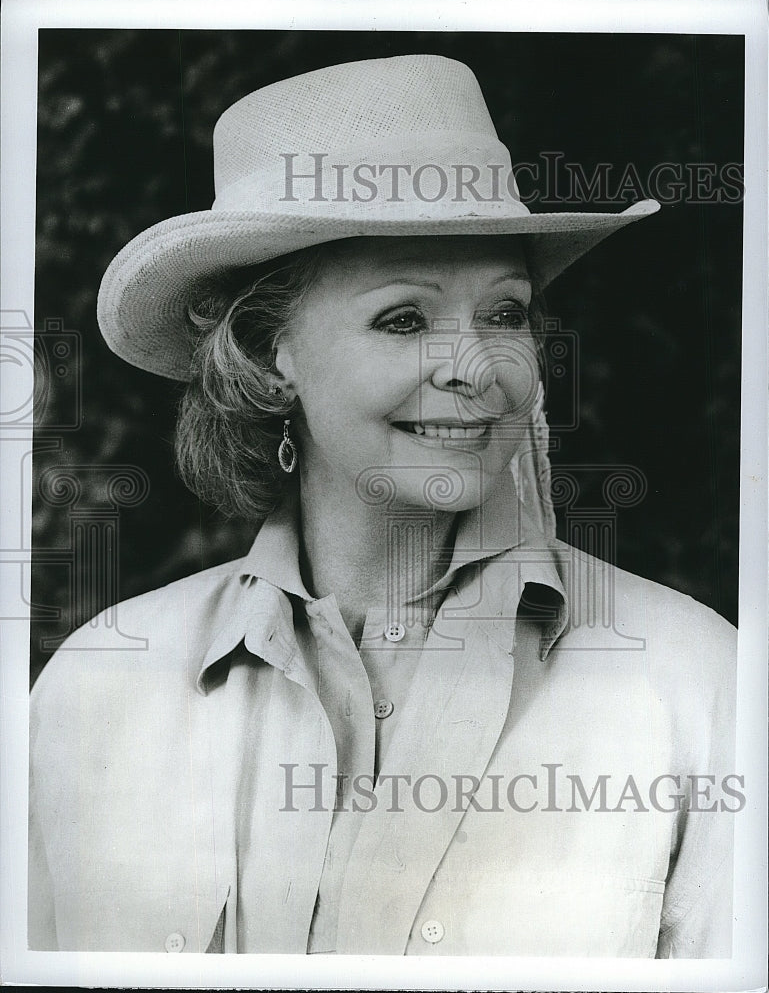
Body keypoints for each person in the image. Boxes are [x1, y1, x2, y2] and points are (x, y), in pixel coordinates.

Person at [28, 54, 736, 957]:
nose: (476, 369)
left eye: (506, 314)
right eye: (402, 319)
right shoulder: (98, 689)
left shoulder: (693, 682)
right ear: (266, 354)